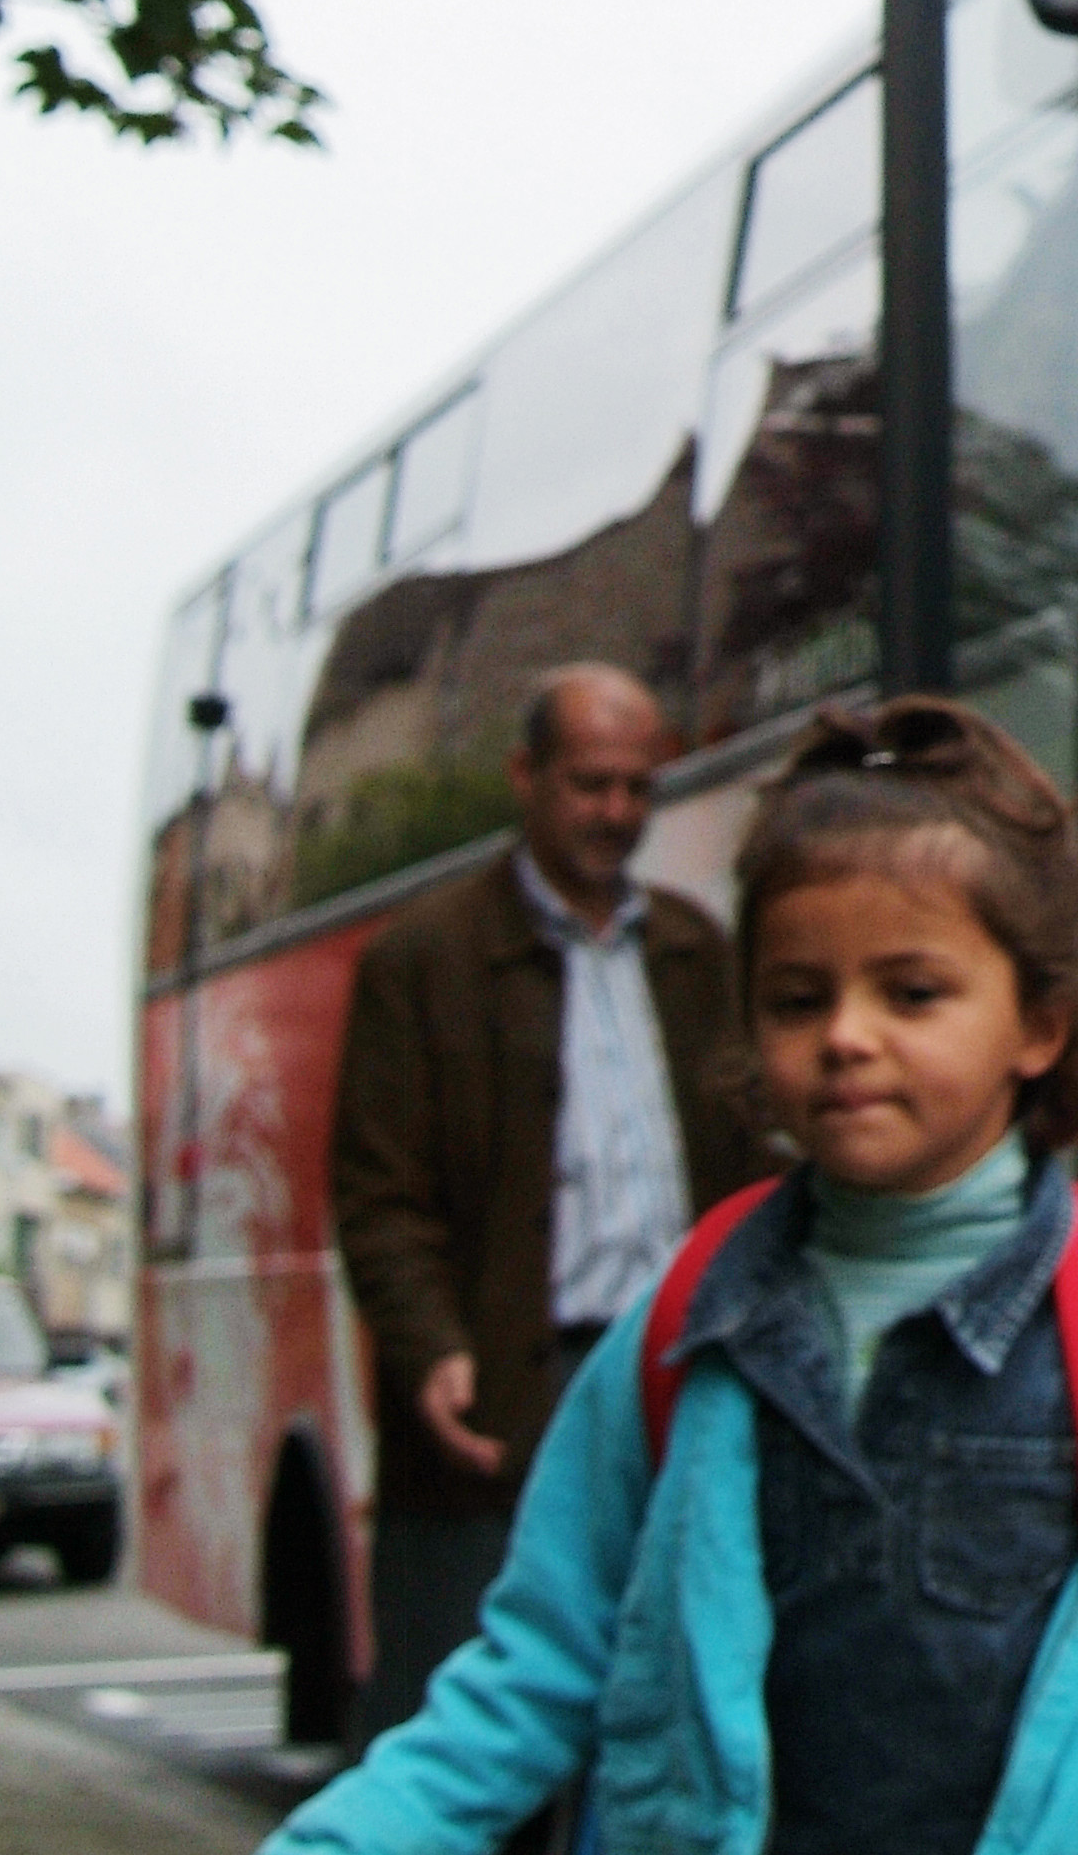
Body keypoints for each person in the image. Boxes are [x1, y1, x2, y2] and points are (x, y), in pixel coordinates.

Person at [267, 696, 1078, 1855]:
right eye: (797, 998)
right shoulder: (686, 1327)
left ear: (1040, 1025)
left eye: (911, 993)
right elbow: (526, 1679)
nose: (845, 1035)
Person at [328, 664, 765, 1742]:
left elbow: (751, 1164)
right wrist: (431, 1348)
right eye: (590, 784)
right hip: (508, 1401)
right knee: (475, 1723)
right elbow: (379, 1196)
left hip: (671, 1383)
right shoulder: (423, 960)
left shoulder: (695, 952)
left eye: (637, 787)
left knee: (668, 1715)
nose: (616, 812)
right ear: (526, 777)